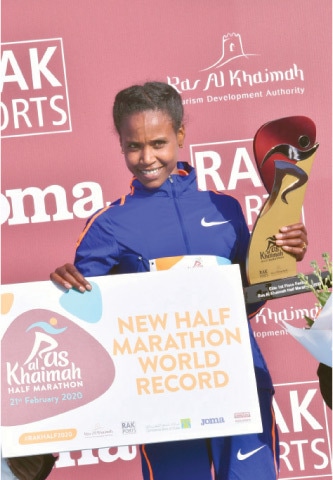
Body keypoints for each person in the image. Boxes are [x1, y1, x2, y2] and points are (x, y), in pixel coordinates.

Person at [50, 81, 308, 480]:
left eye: (158, 143)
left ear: (180, 135)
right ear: (120, 144)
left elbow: (247, 301)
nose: (146, 157)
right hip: (162, 405)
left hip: (239, 386)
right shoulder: (109, 224)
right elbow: (87, 317)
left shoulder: (225, 208)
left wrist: (280, 257)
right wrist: (64, 290)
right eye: (134, 146)